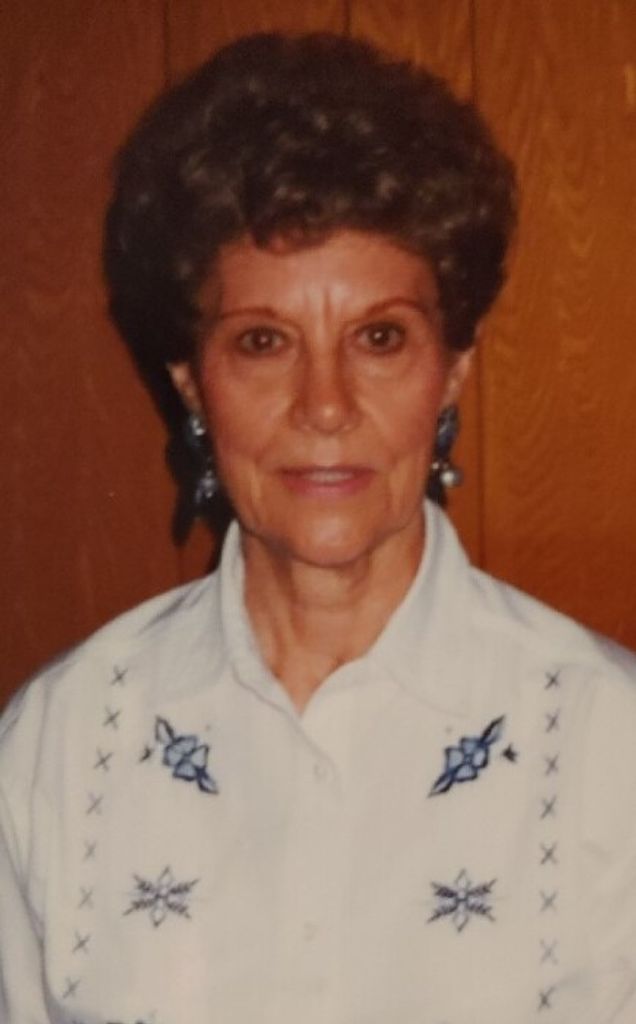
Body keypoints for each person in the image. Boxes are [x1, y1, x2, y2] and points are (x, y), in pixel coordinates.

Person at [1, 31, 635, 1024]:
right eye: (264, 342)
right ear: (192, 381)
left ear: (453, 368)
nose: (325, 404)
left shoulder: (605, 743)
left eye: (379, 337)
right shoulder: (61, 741)